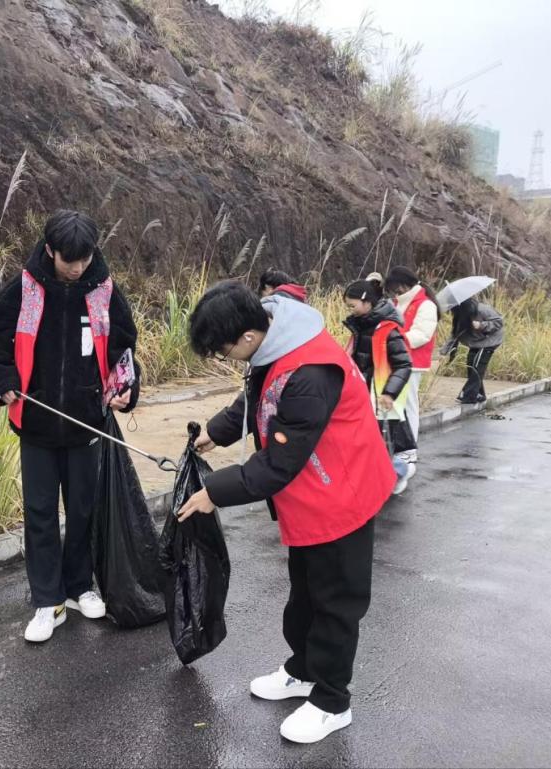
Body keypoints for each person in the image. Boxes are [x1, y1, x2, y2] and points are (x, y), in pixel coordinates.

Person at [177, 281, 395, 745]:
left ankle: (332, 702)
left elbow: (278, 462)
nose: (225, 359)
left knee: (335, 603)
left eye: (223, 351)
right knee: (305, 595)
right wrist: (217, 431)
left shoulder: (311, 372)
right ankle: (303, 670)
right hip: (311, 492)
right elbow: (256, 396)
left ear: (247, 336)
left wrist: (213, 492)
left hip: (342, 493)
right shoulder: (273, 338)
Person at [0, 209, 140, 643]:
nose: (78, 268)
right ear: (50, 251)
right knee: (40, 513)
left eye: (85, 258)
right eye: (70, 260)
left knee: (83, 510)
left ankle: (80, 587)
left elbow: (123, 346)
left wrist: (125, 388)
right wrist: (3, 381)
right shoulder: (26, 288)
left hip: (86, 423)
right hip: (36, 425)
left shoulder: (103, 291)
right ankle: (48, 601)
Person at [343, 280, 415, 494]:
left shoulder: (387, 330)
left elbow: (404, 364)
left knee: (381, 442)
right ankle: (376, 481)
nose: (350, 310)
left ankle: (399, 472)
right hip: (362, 393)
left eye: (352, 305)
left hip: (380, 396)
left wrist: (389, 393)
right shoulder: (360, 325)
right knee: (369, 442)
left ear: (367, 302)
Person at [383, 266, 441, 464]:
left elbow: (422, 335)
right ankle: (398, 447)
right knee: (397, 405)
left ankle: (409, 449)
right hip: (396, 360)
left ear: (404, 285)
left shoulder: (426, 305)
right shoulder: (399, 302)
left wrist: (395, 341)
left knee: (408, 406)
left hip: (412, 362)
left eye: (396, 288)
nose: (394, 293)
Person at [443, 297, 504, 404]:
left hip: (489, 341)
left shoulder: (482, 309)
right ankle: (479, 395)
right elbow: (455, 335)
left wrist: (481, 325)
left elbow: (499, 322)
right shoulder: (461, 315)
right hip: (476, 342)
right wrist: (444, 351)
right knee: (471, 366)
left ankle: (468, 396)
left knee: (477, 367)